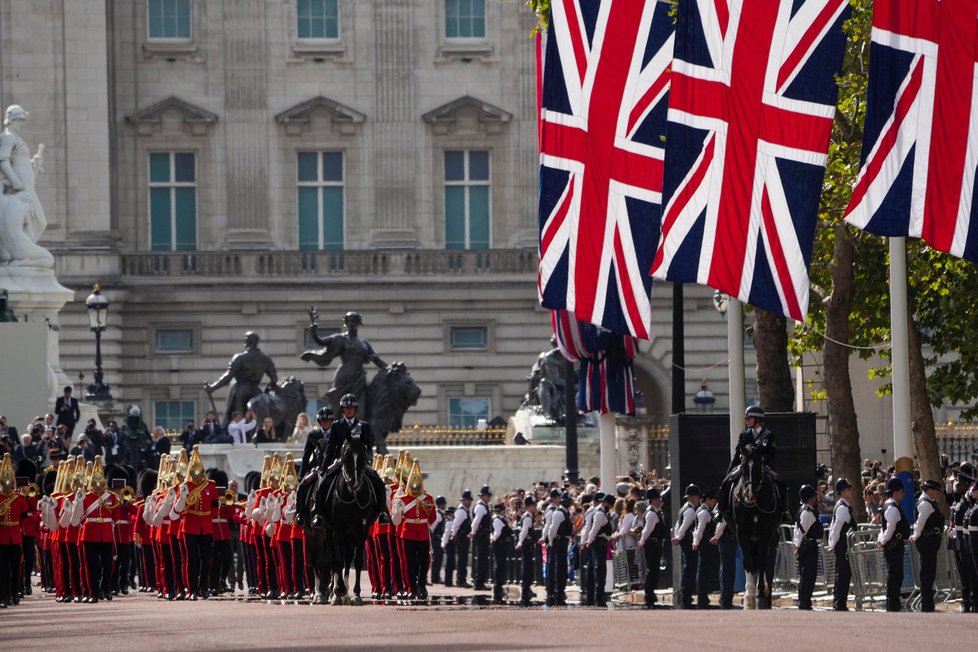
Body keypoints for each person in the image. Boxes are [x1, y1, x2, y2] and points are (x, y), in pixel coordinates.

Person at [308, 394, 378, 528]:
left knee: (377, 481)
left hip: (359, 462)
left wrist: (368, 461)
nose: (349, 410)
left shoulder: (363, 426)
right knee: (322, 482)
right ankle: (318, 513)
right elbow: (330, 448)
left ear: (355, 409)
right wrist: (324, 467)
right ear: (342, 409)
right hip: (340, 462)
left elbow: (369, 447)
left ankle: (381, 513)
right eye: (346, 408)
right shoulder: (336, 425)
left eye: (351, 407)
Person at [0, 104, 54, 268]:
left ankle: (22, 258)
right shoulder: (8, 137)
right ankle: (20, 256)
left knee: (36, 220)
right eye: (20, 120)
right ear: (12, 120)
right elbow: (3, 160)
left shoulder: (16, 138)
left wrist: (33, 164)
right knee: (37, 220)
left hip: (25, 182)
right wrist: (16, 182)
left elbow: (20, 161)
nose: (22, 124)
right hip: (21, 185)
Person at [301, 310, 386, 411]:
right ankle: (335, 424)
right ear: (345, 323)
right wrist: (313, 332)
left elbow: (377, 360)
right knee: (338, 404)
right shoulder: (340, 338)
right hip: (343, 376)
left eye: (354, 321)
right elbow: (321, 342)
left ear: (358, 323)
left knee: (360, 405)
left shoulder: (364, 343)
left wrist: (390, 369)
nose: (351, 323)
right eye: (349, 321)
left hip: (358, 377)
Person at [718, 406, 787, 520]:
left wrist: (759, 460)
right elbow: (737, 455)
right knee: (725, 483)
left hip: (763, 466)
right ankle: (720, 510)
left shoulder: (768, 435)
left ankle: (784, 511)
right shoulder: (744, 435)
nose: (746, 421)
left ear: (758, 420)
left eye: (749, 418)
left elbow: (771, 454)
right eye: (746, 419)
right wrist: (730, 471)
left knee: (782, 483)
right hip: (745, 466)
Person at [205, 331, 279, 427]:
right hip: (256, 391)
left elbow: (228, 376)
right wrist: (271, 386)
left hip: (240, 390)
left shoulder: (239, 357)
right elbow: (274, 378)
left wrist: (213, 387)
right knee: (260, 415)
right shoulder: (265, 358)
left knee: (237, 417)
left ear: (246, 342)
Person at [391, 460, 436, 599]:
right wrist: (397, 511)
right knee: (408, 563)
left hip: (422, 533)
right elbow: (396, 522)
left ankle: (421, 584)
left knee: (425, 561)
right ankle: (411, 588)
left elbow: (432, 519)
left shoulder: (428, 498)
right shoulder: (402, 499)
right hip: (407, 532)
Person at [909, 479, 946, 612]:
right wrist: (915, 535)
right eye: (936, 491)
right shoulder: (925, 504)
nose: (938, 494)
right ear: (929, 490)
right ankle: (927, 605)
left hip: (929, 541)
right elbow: (920, 522)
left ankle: (928, 603)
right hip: (927, 542)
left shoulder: (928, 502)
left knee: (929, 573)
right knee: (927, 573)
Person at [876, 477, 910, 612]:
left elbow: (883, 529)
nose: (903, 494)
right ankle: (892, 601)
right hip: (893, 545)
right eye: (902, 491)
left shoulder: (891, 506)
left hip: (893, 544)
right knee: (895, 574)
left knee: (896, 573)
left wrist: (881, 539)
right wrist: (883, 541)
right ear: (895, 492)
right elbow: (889, 529)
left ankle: (893, 600)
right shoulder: (892, 508)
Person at [0, 453, 30, 607]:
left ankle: (14, 592)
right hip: (1, 537)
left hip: (15, 537)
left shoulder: (19, 498)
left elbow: (24, 516)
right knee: (2, 569)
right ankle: (3, 596)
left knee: (16, 567)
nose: (7, 483)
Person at [826, 477, 855, 611]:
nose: (851, 491)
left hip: (841, 545)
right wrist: (833, 544)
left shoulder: (841, 506)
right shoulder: (843, 508)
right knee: (843, 575)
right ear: (843, 492)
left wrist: (832, 543)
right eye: (848, 489)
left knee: (842, 574)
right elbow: (836, 528)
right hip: (843, 546)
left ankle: (839, 602)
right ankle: (839, 603)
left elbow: (834, 527)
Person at [792, 484, 823, 610]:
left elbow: (797, 530)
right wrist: (797, 545)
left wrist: (797, 544)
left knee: (807, 575)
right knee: (808, 576)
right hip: (808, 548)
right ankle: (804, 601)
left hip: (806, 547)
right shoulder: (807, 512)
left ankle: (805, 600)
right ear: (810, 497)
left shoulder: (803, 510)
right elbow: (800, 531)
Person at [672, 484, 701, 609]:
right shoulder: (690, 510)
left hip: (684, 542)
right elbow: (684, 526)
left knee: (687, 568)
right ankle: (686, 597)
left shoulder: (683, 508)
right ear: (693, 497)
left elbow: (677, 525)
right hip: (688, 542)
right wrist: (678, 537)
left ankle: (685, 596)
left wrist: (677, 536)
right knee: (690, 569)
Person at [582, 492, 614, 607]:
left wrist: (586, 541)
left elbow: (589, 528)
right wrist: (588, 541)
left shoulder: (597, 512)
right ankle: (599, 599)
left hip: (597, 543)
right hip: (599, 543)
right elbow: (594, 529)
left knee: (597, 570)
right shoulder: (600, 513)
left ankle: (595, 598)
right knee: (600, 571)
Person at [638, 487, 667, 608]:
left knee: (654, 570)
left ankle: (650, 594)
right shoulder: (651, 513)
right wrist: (642, 541)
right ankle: (649, 595)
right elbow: (647, 529)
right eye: (658, 498)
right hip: (652, 544)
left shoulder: (654, 512)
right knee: (652, 570)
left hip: (655, 544)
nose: (660, 501)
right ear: (653, 500)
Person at [692, 489, 720, 609]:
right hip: (705, 544)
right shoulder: (704, 512)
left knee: (704, 570)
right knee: (703, 571)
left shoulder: (703, 510)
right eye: (713, 500)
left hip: (704, 544)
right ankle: (702, 597)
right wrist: (696, 542)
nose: (714, 503)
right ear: (708, 500)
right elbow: (700, 529)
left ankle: (703, 596)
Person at [515, 494, 538, 607]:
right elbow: (524, 531)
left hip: (527, 544)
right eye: (533, 505)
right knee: (527, 567)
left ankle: (527, 589)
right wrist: (520, 542)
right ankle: (525, 590)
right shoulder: (528, 517)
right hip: (526, 544)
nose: (535, 507)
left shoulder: (528, 516)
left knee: (528, 567)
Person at [469, 485, 492, 591]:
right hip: (481, 535)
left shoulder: (483, 506)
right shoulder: (481, 507)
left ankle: (480, 582)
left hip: (483, 535)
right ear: (482, 496)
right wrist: (473, 532)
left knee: (483, 559)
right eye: (487, 495)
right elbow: (476, 521)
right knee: (482, 560)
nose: (488, 497)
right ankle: (479, 583)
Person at [449, 489, 474, 588]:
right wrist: (453, 534)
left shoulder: (465, 510)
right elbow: (456, 525)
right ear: (463, 500)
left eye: (470, 500)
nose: (469, 502)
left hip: (464, 538)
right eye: (468, 500)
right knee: (462, 559)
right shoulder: (461, 511)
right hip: (461, 537)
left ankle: (461, 579)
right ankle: (460, 580)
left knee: (463, 559)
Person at [489, 502, 513, 604]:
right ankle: (497, 592)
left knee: (501, 567)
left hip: (501, 545)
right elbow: (497, 533)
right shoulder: (497, 520)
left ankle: (499, 591)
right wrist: (494, 539)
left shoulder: (500, 519)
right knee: (499, 567)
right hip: (499, 545)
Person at [429, 495, 447, 585]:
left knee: (438, 558)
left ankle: (436, 576)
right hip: (436, 538)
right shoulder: (438, 514)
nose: (445, 505)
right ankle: (434, 577)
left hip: (438, 538)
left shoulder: (440, 513)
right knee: (436, 558)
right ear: (441, 504)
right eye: (444, 504)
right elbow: (432, 527)